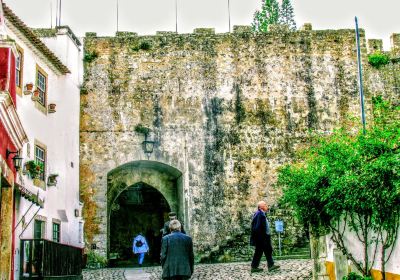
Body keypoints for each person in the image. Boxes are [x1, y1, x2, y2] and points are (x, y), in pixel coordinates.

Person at [250, 201, 280, 273]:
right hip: (262, 237)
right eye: (265, 205)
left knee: (263, 251)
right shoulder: (259, 214)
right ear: (261, 207)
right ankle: (269, 265)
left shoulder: (261, 213)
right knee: (265, 251)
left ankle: (257, 267)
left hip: (262, 237)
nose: (267, 206)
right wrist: (262, 237)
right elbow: (257, 227)